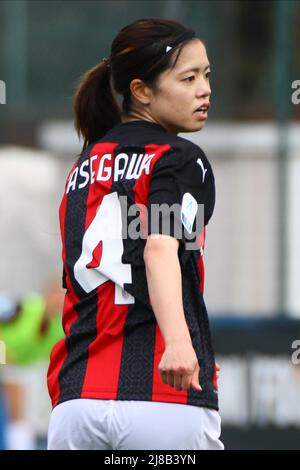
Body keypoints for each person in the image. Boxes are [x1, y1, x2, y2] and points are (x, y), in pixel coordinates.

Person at [47, 17, 223, 450]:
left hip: (76, 404)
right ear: (142, 91)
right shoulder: (179, 157)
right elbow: (159, 246)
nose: (205, 89)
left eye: (206, 76)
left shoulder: (82, 167)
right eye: (188, 78)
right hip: (164, 396)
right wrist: (179, 344)